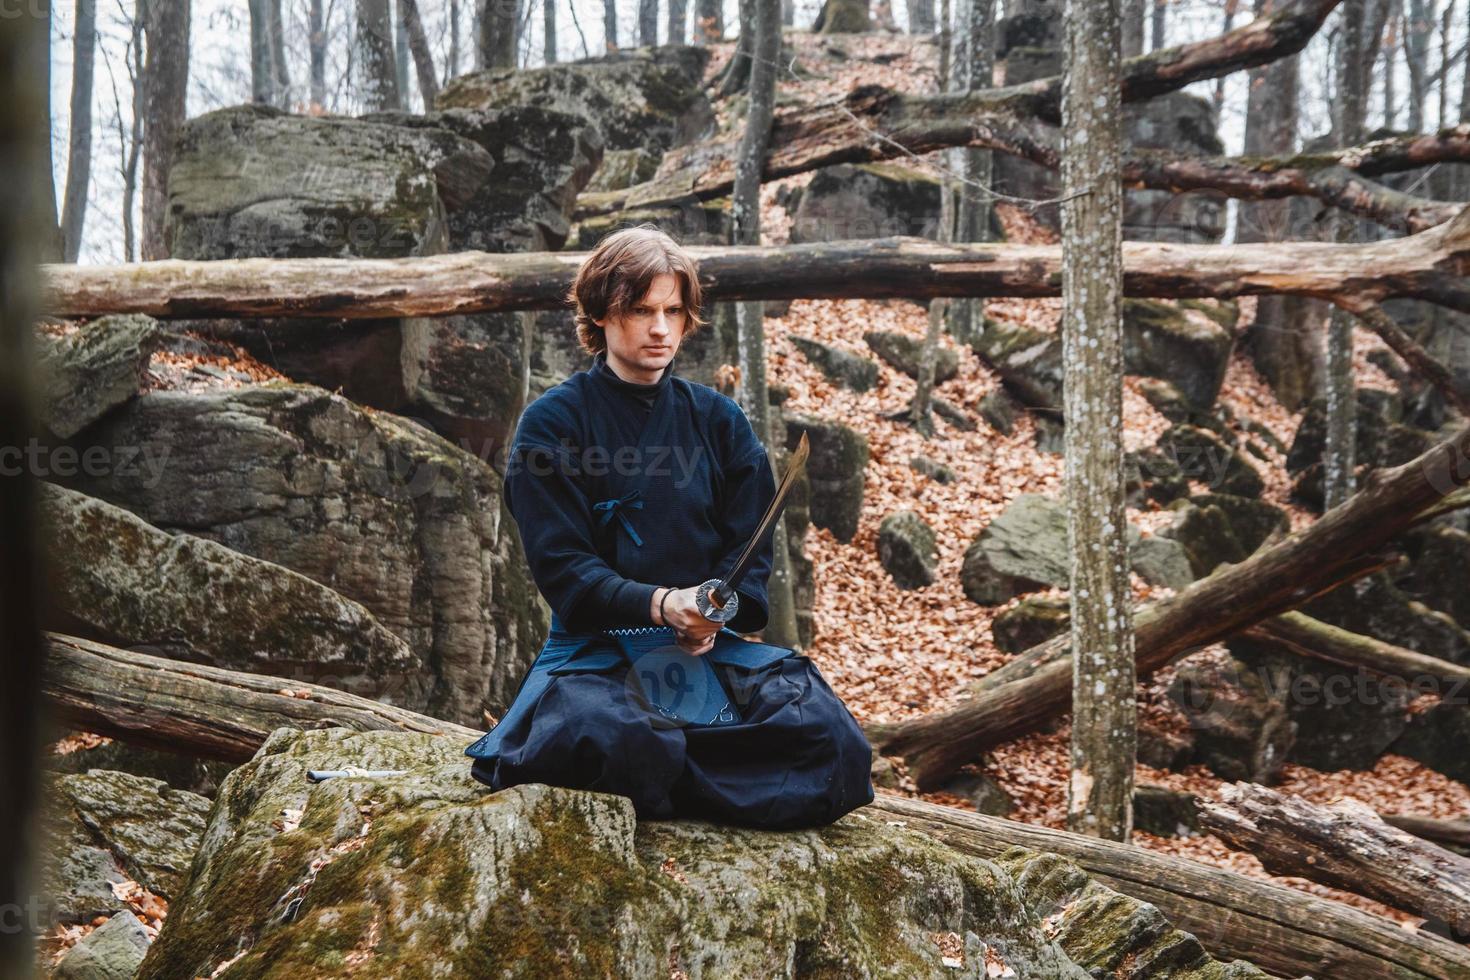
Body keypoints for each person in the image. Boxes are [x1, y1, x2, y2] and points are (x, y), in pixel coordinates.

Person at [465, 224, 875, 830]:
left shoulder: (718, 420)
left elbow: (749, 548)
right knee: (615, 736)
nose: (660, 328)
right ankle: (701, 767)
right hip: (595, 657)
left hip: (702, 650)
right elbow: (565, 570)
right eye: (641, 310)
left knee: (828, 733)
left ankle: (678, 769)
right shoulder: (551, 425)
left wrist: (716, 611)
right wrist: (662, 604)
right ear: (602, 313)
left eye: (673, 311)